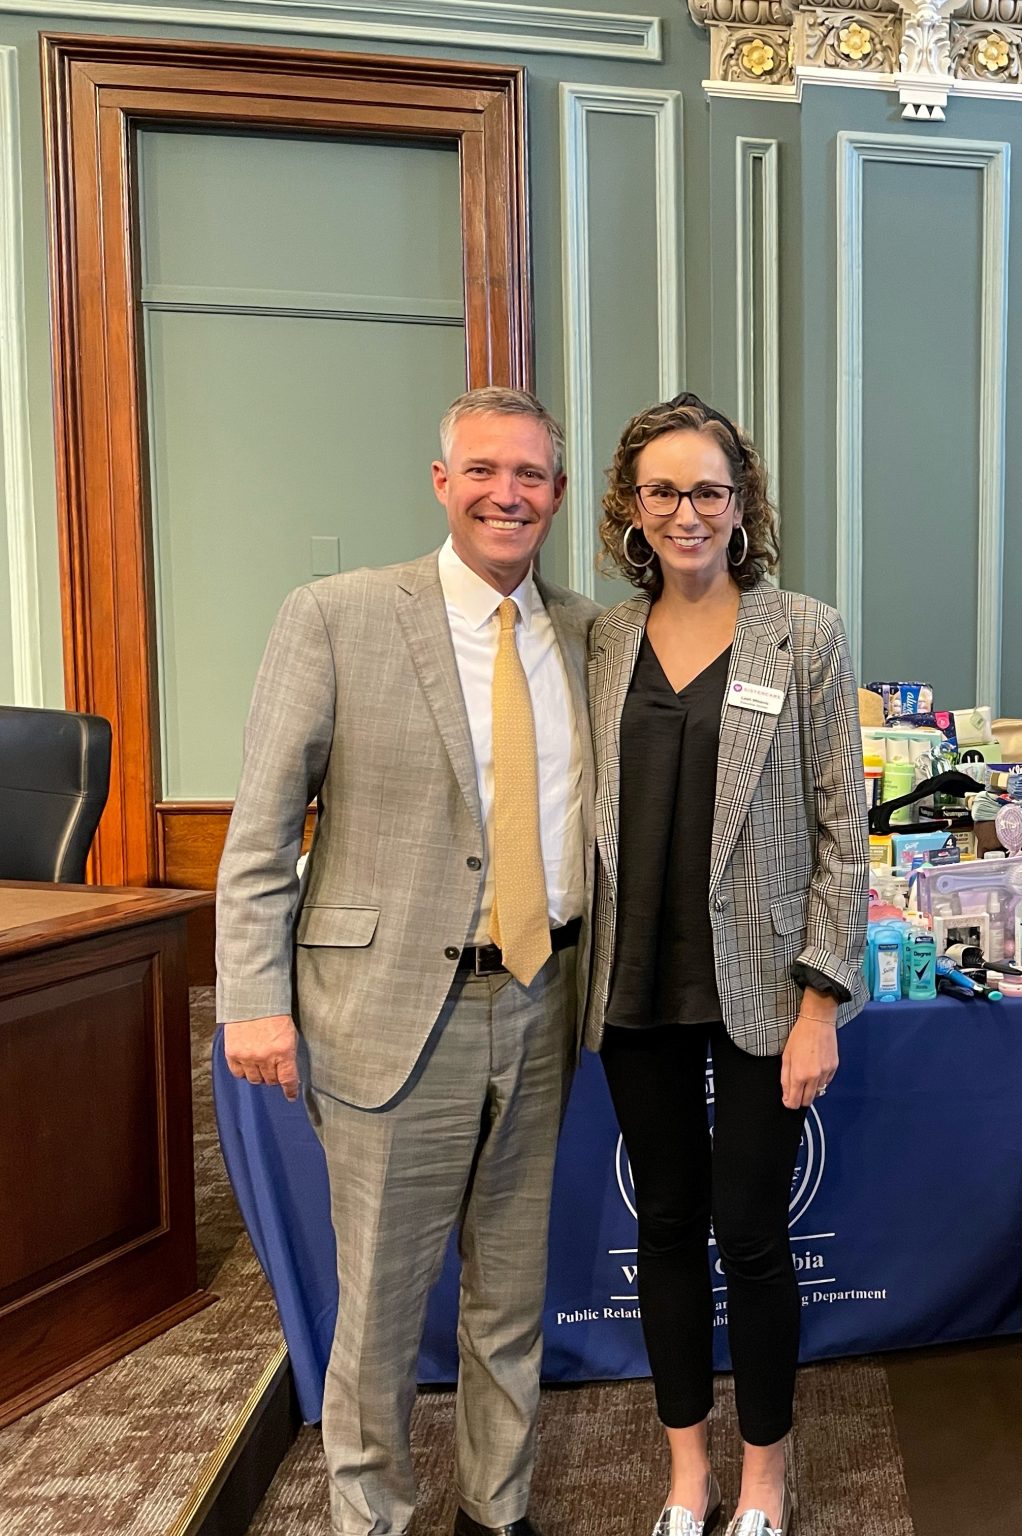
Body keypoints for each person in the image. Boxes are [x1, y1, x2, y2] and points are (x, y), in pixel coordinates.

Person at [216, 387, 601, 1536]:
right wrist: (252, 999)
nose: (505, 493)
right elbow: (261, 828)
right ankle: (371, 1516)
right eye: (483, 470)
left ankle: (496, 1508)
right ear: (441, 483)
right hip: (387, 1013)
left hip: (543, 997)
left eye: (528, 474)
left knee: (510, 1295)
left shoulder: (589, 634)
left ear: (557, 494)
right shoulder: (335, 616)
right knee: (380, 1309)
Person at [583, 393, 866, 1536]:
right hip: (634, 980)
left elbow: (843, 831)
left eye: (708, 490)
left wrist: (821, 1001)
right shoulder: (600, 639)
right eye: (663, 491)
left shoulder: (803, 632)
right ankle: (685, 1476)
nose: (686, 512)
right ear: (629, 506)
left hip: (762, 984)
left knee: (748, 1232)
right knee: (662, 1227)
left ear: (742, 502)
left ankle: (761, 1482)